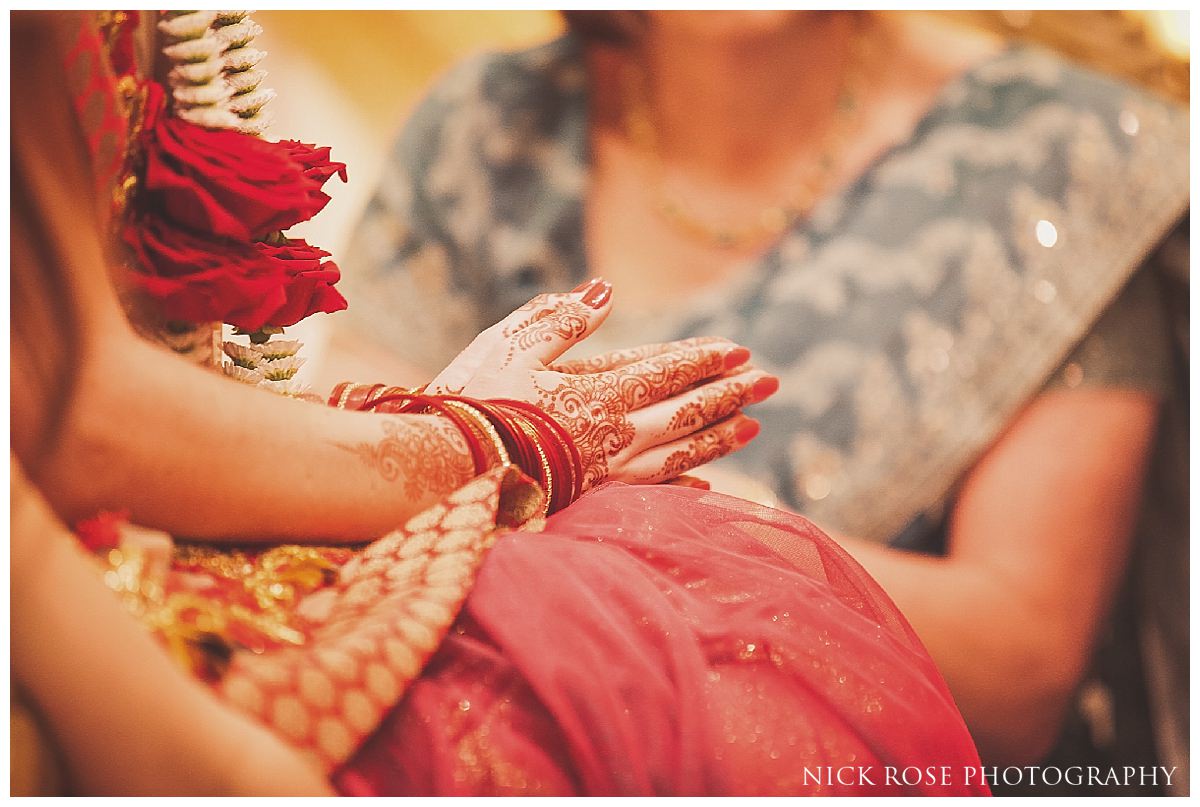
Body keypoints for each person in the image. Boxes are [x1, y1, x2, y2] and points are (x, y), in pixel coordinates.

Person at [11, 11, 987, 796]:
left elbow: (1022, 663)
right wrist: (477, 444)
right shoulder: (490, 117)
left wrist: (471, 442)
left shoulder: (1044, 137)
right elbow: (69, 415)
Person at [338, 10, 1189, 793]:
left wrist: (684, 526)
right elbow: (340, 489)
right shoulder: (484, 128)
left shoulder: (1060, 157)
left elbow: (1018, 679)